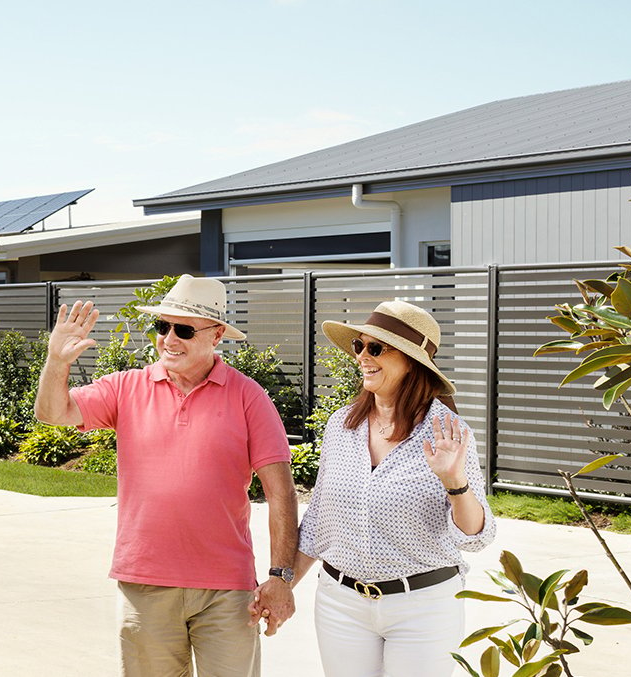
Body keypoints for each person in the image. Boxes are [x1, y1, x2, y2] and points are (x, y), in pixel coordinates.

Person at [35, 275, 298, 677]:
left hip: (226, 591)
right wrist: (57, 361)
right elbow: (53, 412)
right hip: (145, 583)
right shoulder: (125, 387)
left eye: (184, 329)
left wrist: (280, 577)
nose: (169, 339)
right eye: (162, 327)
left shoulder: (249, 397)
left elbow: (280, 493)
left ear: (217, 335)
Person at [287, 300, 496, 676]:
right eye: (359, 346)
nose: (362, 357)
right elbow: (318, 520)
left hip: (423, 608)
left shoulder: (448, 432)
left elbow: (475, 537)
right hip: (340, 603)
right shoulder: (341, 426)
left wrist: (455, 483)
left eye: (376, 348)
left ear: (412, 362)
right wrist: (282, 585)